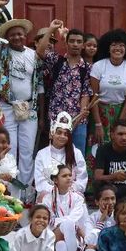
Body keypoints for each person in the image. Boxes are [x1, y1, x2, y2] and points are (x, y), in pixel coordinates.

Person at [0, 14, 40, 184]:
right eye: (12, 34)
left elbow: (39, 85)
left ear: (25, 36)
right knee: (10, 149)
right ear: (7, 37)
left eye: (20, 34)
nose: (17, 37)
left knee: (27, 151)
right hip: (7, 106)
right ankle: (10, 190)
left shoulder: (34, 55)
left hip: (29, 108)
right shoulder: (3, 50)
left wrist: (40, 114)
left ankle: (25, 192)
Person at [36, 22, 92, 154]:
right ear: (66, 43)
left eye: (79, 41)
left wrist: (82, 113)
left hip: (78, 120)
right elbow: (40, 51)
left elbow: (85, 93)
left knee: (77, 156)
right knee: (55, 157)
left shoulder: (88, 68)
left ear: (83, 45)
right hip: (57, 119)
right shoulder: (57, 61)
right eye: (71, 41)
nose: (75, 44)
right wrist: (51, 30)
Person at [43, 165, 88, 251]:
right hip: (52, 235)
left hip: (71, 239)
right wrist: (67, 224)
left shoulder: (77, 197)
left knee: (62, 243)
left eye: (70, 175)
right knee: (68, 224)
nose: (69, 178)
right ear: (55, 180)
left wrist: (66, 223)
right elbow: (48, 220)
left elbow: (75, 217)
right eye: (64, 176)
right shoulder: (47, 198)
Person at [89, 29, 126, 150]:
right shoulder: (98, 66)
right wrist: (98, 123)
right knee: (98, 146)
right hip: (99, 112)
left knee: (118, 144)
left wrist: (120, 124)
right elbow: (94, 96)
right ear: (108, 47)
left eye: (122, 45)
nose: (118, 48)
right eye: (114, 45)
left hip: (121, 110)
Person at [33, 112, 87, 199]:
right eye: (59, 132)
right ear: (51, 134)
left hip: (71, 194)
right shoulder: (41, 154)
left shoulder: (76, 153)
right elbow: (40, 181)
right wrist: (56, 191)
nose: (62, 136)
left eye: (66, 134)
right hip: (48, 194)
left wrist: (67, 191)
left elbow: (82, 179)